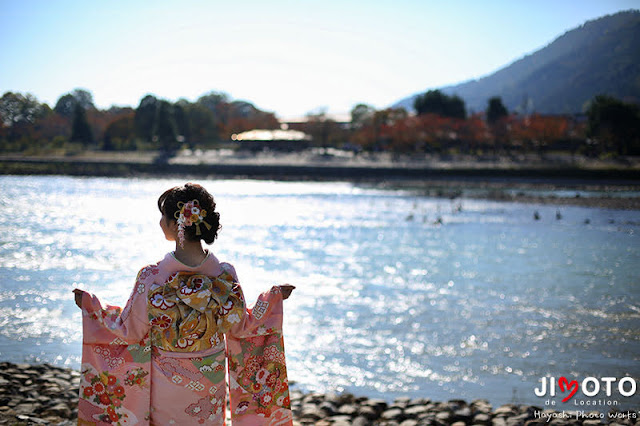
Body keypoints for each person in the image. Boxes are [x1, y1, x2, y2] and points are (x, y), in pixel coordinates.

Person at [73, 183, 295, 425]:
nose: (160, 222)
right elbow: (242, 326)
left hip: (166, 379)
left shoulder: (152, 277)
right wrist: (272, 300)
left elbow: (129, 329)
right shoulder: (224, 275)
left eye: (163, 216)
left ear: (175, 223)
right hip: (212, 379)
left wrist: (92, 308)